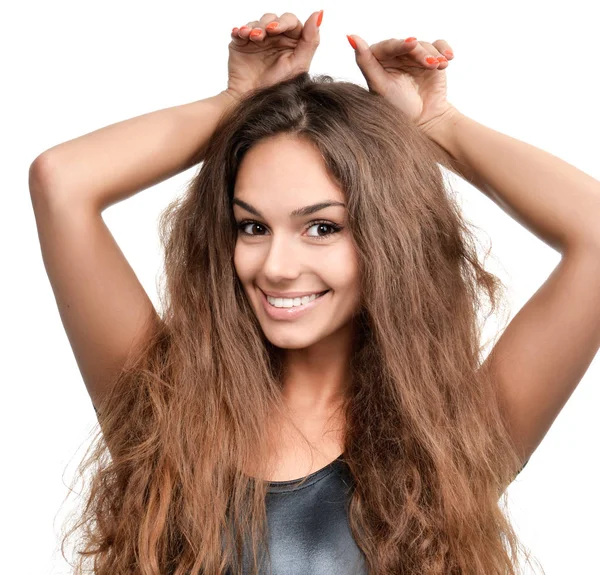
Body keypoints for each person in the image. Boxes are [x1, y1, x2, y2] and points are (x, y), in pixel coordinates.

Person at [28, 9, 600, 575]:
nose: (276, 266)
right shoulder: (163, 409)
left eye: (321, 228)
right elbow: (62, 181)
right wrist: (236, 104)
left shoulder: (452, 437)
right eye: (253, 226)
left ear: (388, 238)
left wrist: (434, 124)